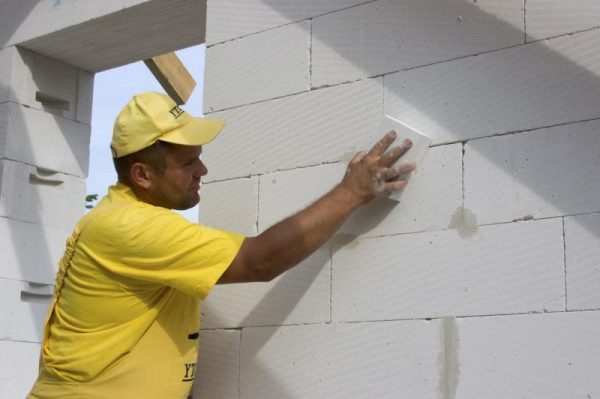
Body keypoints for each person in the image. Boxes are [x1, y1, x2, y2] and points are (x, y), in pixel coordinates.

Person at [28, 92, 416, 399]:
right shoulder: (130, 227)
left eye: (199, 159)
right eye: (187, 164)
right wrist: (352, 192)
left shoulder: (122, 218)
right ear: (143, 175)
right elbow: (261, 260)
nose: (203, 171)